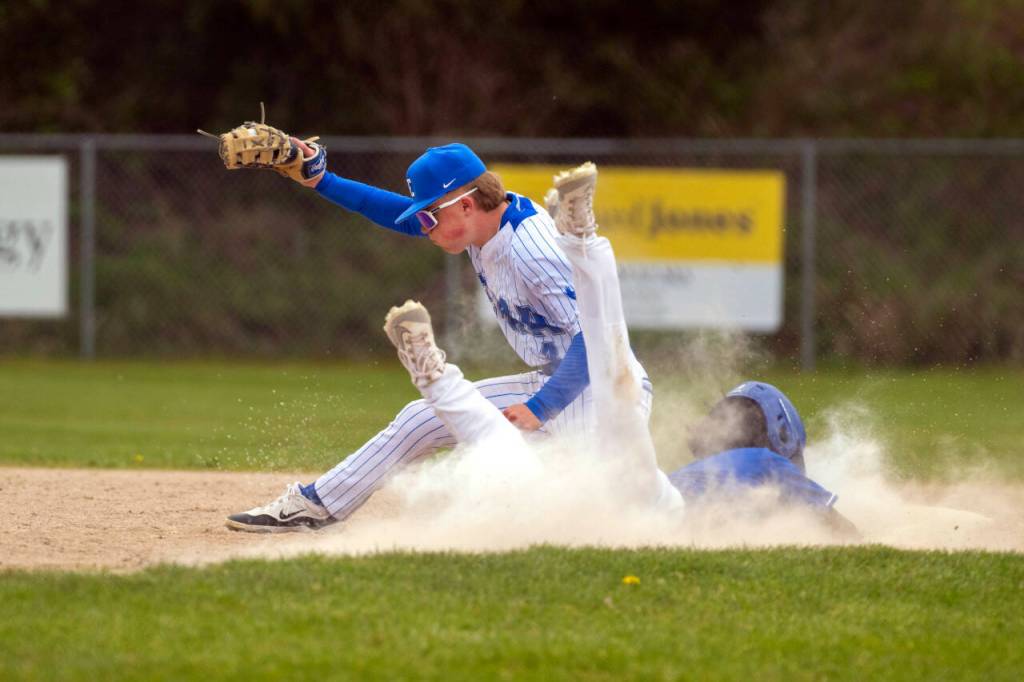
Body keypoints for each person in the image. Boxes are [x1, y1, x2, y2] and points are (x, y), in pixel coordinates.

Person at [359, 163, 857, 535]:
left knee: (591, 392)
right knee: (569, 431)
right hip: (649, 509)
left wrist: (321, 178)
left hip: (638, 500)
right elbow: (846, 536)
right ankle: (438, 374)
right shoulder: (763, 471)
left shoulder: (731, 474)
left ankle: (438, 374)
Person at [226, 146, 653, 532]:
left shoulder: (530, 248)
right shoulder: (483, 224)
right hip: (562, 381)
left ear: (465, 204)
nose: (422, 226)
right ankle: (316, 505)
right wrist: (323, 179)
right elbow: (393, 211)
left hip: (602, 386)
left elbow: (597, 340)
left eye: (429, 216)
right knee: (419, 419)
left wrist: (541, 408)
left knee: (580, 516)